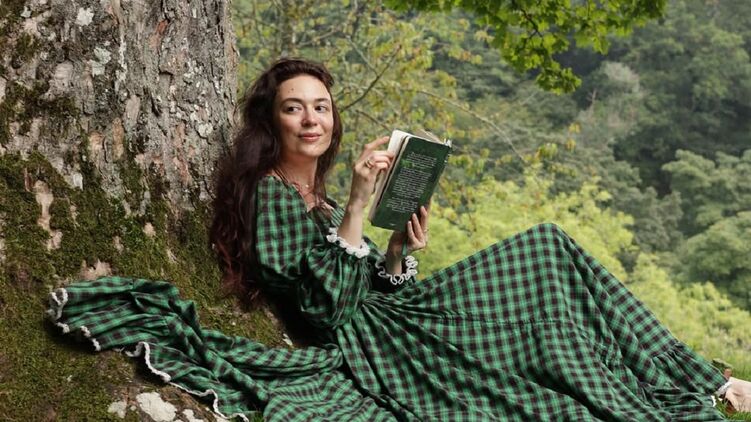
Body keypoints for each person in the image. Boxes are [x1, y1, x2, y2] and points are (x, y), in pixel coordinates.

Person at [48, 58, 732, 421]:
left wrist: (400, 251)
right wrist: (356, 208)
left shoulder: (320, 199)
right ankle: (710, 383)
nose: (311, 119)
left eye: (321, 107)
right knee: (546, 283)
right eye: (294, 108)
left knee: (550, 262)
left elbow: (370, 280)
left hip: (401, 314)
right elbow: (323, 310)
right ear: (272, 120)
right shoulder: (269, 195)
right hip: (374, 345)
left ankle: (705, 379)